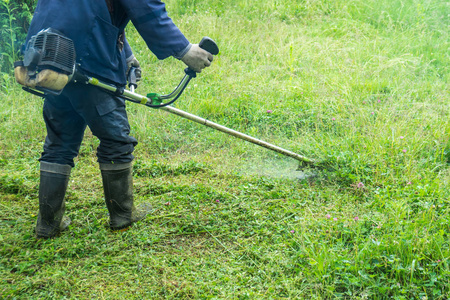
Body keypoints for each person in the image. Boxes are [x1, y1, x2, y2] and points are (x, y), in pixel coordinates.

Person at [25, 0, 213, 238]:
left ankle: (47, 224)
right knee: (116, 140)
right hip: (88, 59)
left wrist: (125, 51)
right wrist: (185, 49)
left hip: (53, 58)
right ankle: (123, 216)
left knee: (59, 142)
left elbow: (87, 9)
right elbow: (147, 9)